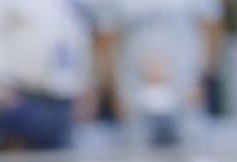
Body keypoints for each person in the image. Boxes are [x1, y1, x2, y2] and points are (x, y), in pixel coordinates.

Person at [0, 0, 96, 150]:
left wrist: (85, 86)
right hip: (18, 95)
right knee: (15, 161)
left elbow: (77, 38)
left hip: (62, 97)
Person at [94, 0, 224, 146]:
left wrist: (203, 78)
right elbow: (105, 41)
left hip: (186, 92)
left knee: (192, 152)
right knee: (137, 156)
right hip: (134, 97)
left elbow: (211, 28)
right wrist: (114, 91)